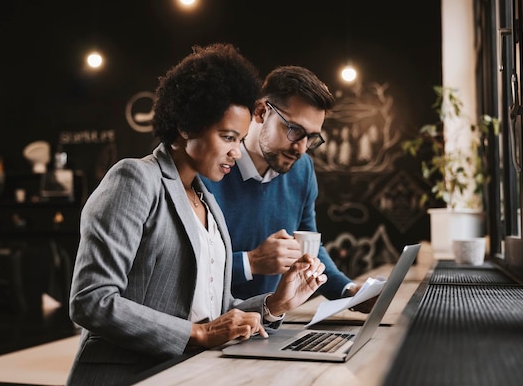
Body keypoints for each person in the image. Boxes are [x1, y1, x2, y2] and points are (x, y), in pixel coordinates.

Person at [66, 45, 327, 386]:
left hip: (186, 374)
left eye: (240, 138)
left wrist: (274, 304)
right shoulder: (135, 179)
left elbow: (208, 306)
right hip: (125, 376)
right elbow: (91, 301)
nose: (236, 151)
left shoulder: (205, 199)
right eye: (227, 137)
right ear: (187, 127)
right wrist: (198, 333)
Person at [202, 65, 375, 312]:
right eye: (295, 131)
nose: (302, 148)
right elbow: (185, 268)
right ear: (261, 112)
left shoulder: (302, 169)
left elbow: (308, 248)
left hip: (270, 321)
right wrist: (251, 262)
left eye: (311, 138)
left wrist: (349, 292)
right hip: (212, 326)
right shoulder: (210, 167)